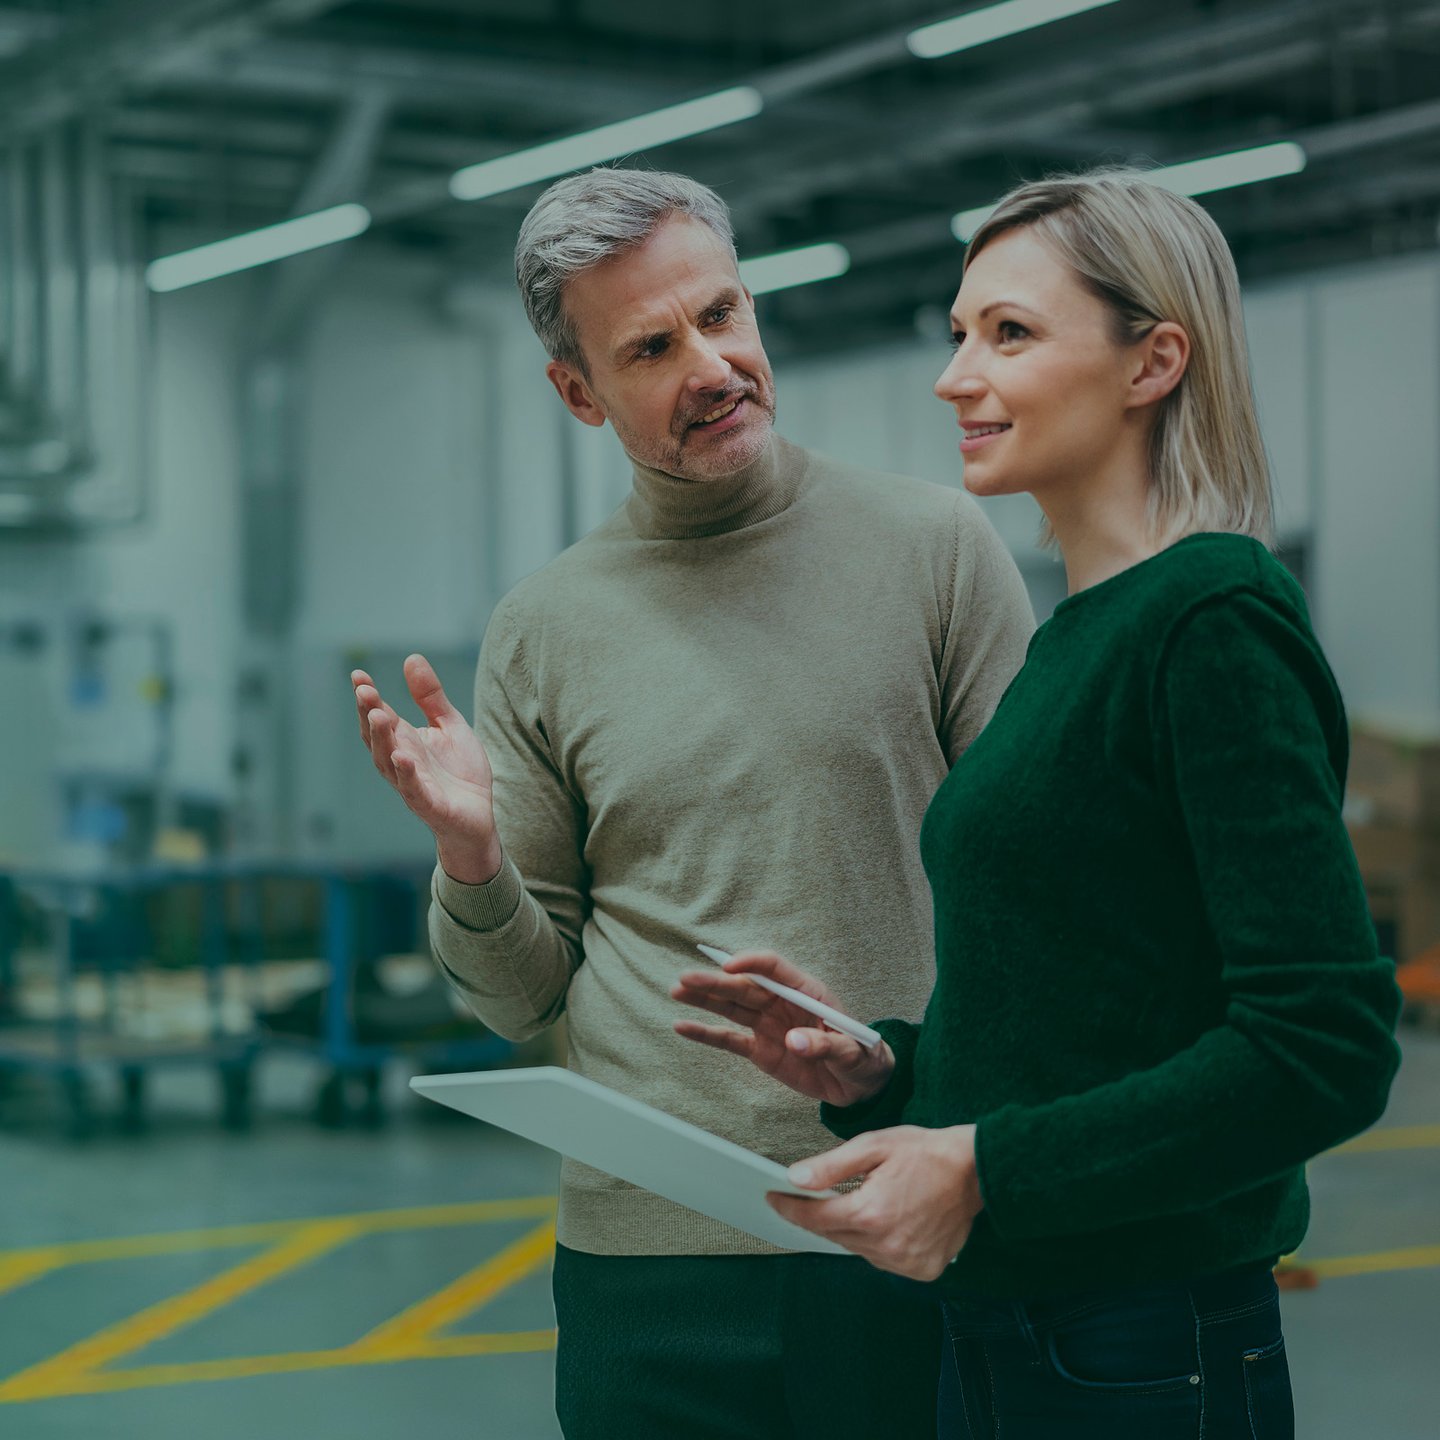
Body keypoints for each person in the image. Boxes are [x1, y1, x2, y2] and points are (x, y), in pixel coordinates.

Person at [673, 169, 1403, 1439]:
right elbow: (1092, 1009)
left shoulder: (1210, 621)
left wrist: (983, 1168)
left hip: (1141, 1344)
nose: (958, 377)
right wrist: (886, 1068)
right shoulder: (1073, 641)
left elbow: (1323, 1044)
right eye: (960, 335)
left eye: (1008, 334)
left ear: (1151, 362)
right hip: (1016, 1333)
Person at [351, 167, 1035, 1438]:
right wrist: (473, 862)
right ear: (578, 392)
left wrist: (975, 1149)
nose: (711, 365)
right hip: (642, 1264)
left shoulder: (938, 552)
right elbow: (519, 995)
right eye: (652, 348)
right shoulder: (546, 630)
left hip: (887, 1217)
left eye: (722, 315)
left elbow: (1037, 900)